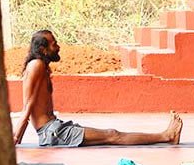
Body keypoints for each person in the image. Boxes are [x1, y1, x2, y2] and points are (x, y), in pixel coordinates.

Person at [12, 29, 183, 146]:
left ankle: (166, 136)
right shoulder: (36, 65)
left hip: (55, 129)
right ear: (43, 49)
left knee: (112, 134)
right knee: (112, 135)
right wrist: (15, 137)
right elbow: (28, 104)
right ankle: (166, 136)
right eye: (54, 44)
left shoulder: (41, 65)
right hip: (53, 132)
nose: (58, 47)